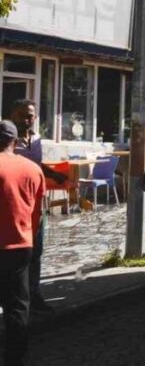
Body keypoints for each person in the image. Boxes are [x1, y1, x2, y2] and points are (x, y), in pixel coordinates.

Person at [10, 100, 66, 313]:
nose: (27, 119)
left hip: (36, 204)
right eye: (23, 115)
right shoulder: (6, 140)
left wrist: (53, 174)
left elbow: (36, 165)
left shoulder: (36, 139)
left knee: (36, 250)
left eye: (31, 116)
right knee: (14, 252)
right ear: (13, 114)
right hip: (13, 204)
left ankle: (34, 295)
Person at [0, 119, 45, 365]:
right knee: (17, 307)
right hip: (22, 244)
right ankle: (14, 359)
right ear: (15, 142)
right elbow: (37, 213)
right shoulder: (33, 169)